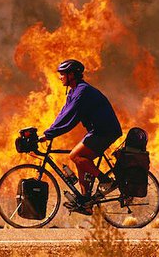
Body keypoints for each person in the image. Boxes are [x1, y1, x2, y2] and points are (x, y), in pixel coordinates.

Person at [39, 59, 122, 215]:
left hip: (105, 130)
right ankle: (86, 201)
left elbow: (71, 117)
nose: (60, 77)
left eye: (63, 74)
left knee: (75, 155)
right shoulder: (73, 91)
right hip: (97, 130)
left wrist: (49, 134)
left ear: (72, 75)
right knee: (81, 160)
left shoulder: (82, 92)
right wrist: (49, 132)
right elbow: (63, 113)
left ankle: (106, 181)